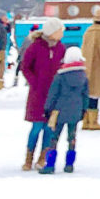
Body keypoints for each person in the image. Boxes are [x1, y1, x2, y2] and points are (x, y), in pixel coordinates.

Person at [20, 18, 66, 170]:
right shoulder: (35, 47)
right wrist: (35, 83)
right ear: (52, 32)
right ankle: (28, 158)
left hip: (54, 95)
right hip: (38, 94)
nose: (62, 33)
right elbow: (25, 67)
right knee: (36, 127)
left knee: (49, 128)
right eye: (60, 30)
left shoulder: (61, 48)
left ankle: (42, 158)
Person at [39, 46, 89, 175]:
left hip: (59, 110)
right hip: (76, 110)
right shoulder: (83, 77)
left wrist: (47, 108)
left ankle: (50, 165)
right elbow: (85, 95)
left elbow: (53, 94)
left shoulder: (60, 76)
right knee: (72, 137)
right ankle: (69, 164)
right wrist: (84, 109)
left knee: (54, 138)